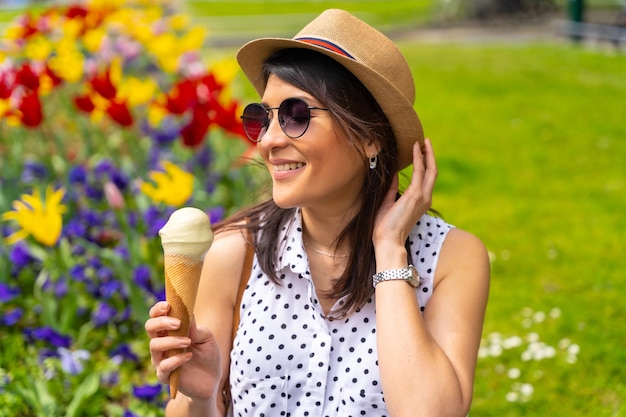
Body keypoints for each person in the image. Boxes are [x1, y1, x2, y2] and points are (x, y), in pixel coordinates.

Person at [145, 9, 490, 417]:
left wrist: (389, 250)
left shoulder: (450, 259)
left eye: (295, 116)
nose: (268, 141)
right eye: (262, 118)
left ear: (368, 138)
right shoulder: (235, 254)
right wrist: (200, 398)